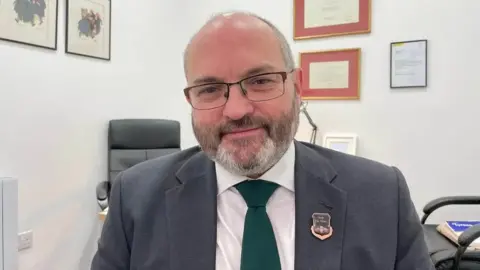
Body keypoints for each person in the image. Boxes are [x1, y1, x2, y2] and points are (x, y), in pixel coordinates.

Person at [91, 11, 435, 270]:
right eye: (210, 89)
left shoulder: (381, 196)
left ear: (298, 87)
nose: (237, 110)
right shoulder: (134, 197)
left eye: (260, 81)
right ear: (191, 101)